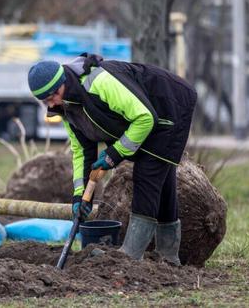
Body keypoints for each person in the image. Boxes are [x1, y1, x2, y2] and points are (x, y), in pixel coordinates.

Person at [28, 53, 197, 265]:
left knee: (148, 173)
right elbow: (81, 150)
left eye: (53, 95)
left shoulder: (98, 82)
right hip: (147, 116)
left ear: (63, 82)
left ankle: (131, 256)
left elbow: (145, 118)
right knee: (162, 179)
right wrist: (80, 196)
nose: (51, 103)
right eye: (45, 100)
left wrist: (113, 154)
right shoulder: (66, 108)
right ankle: (169, 257)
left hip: (170, 105)